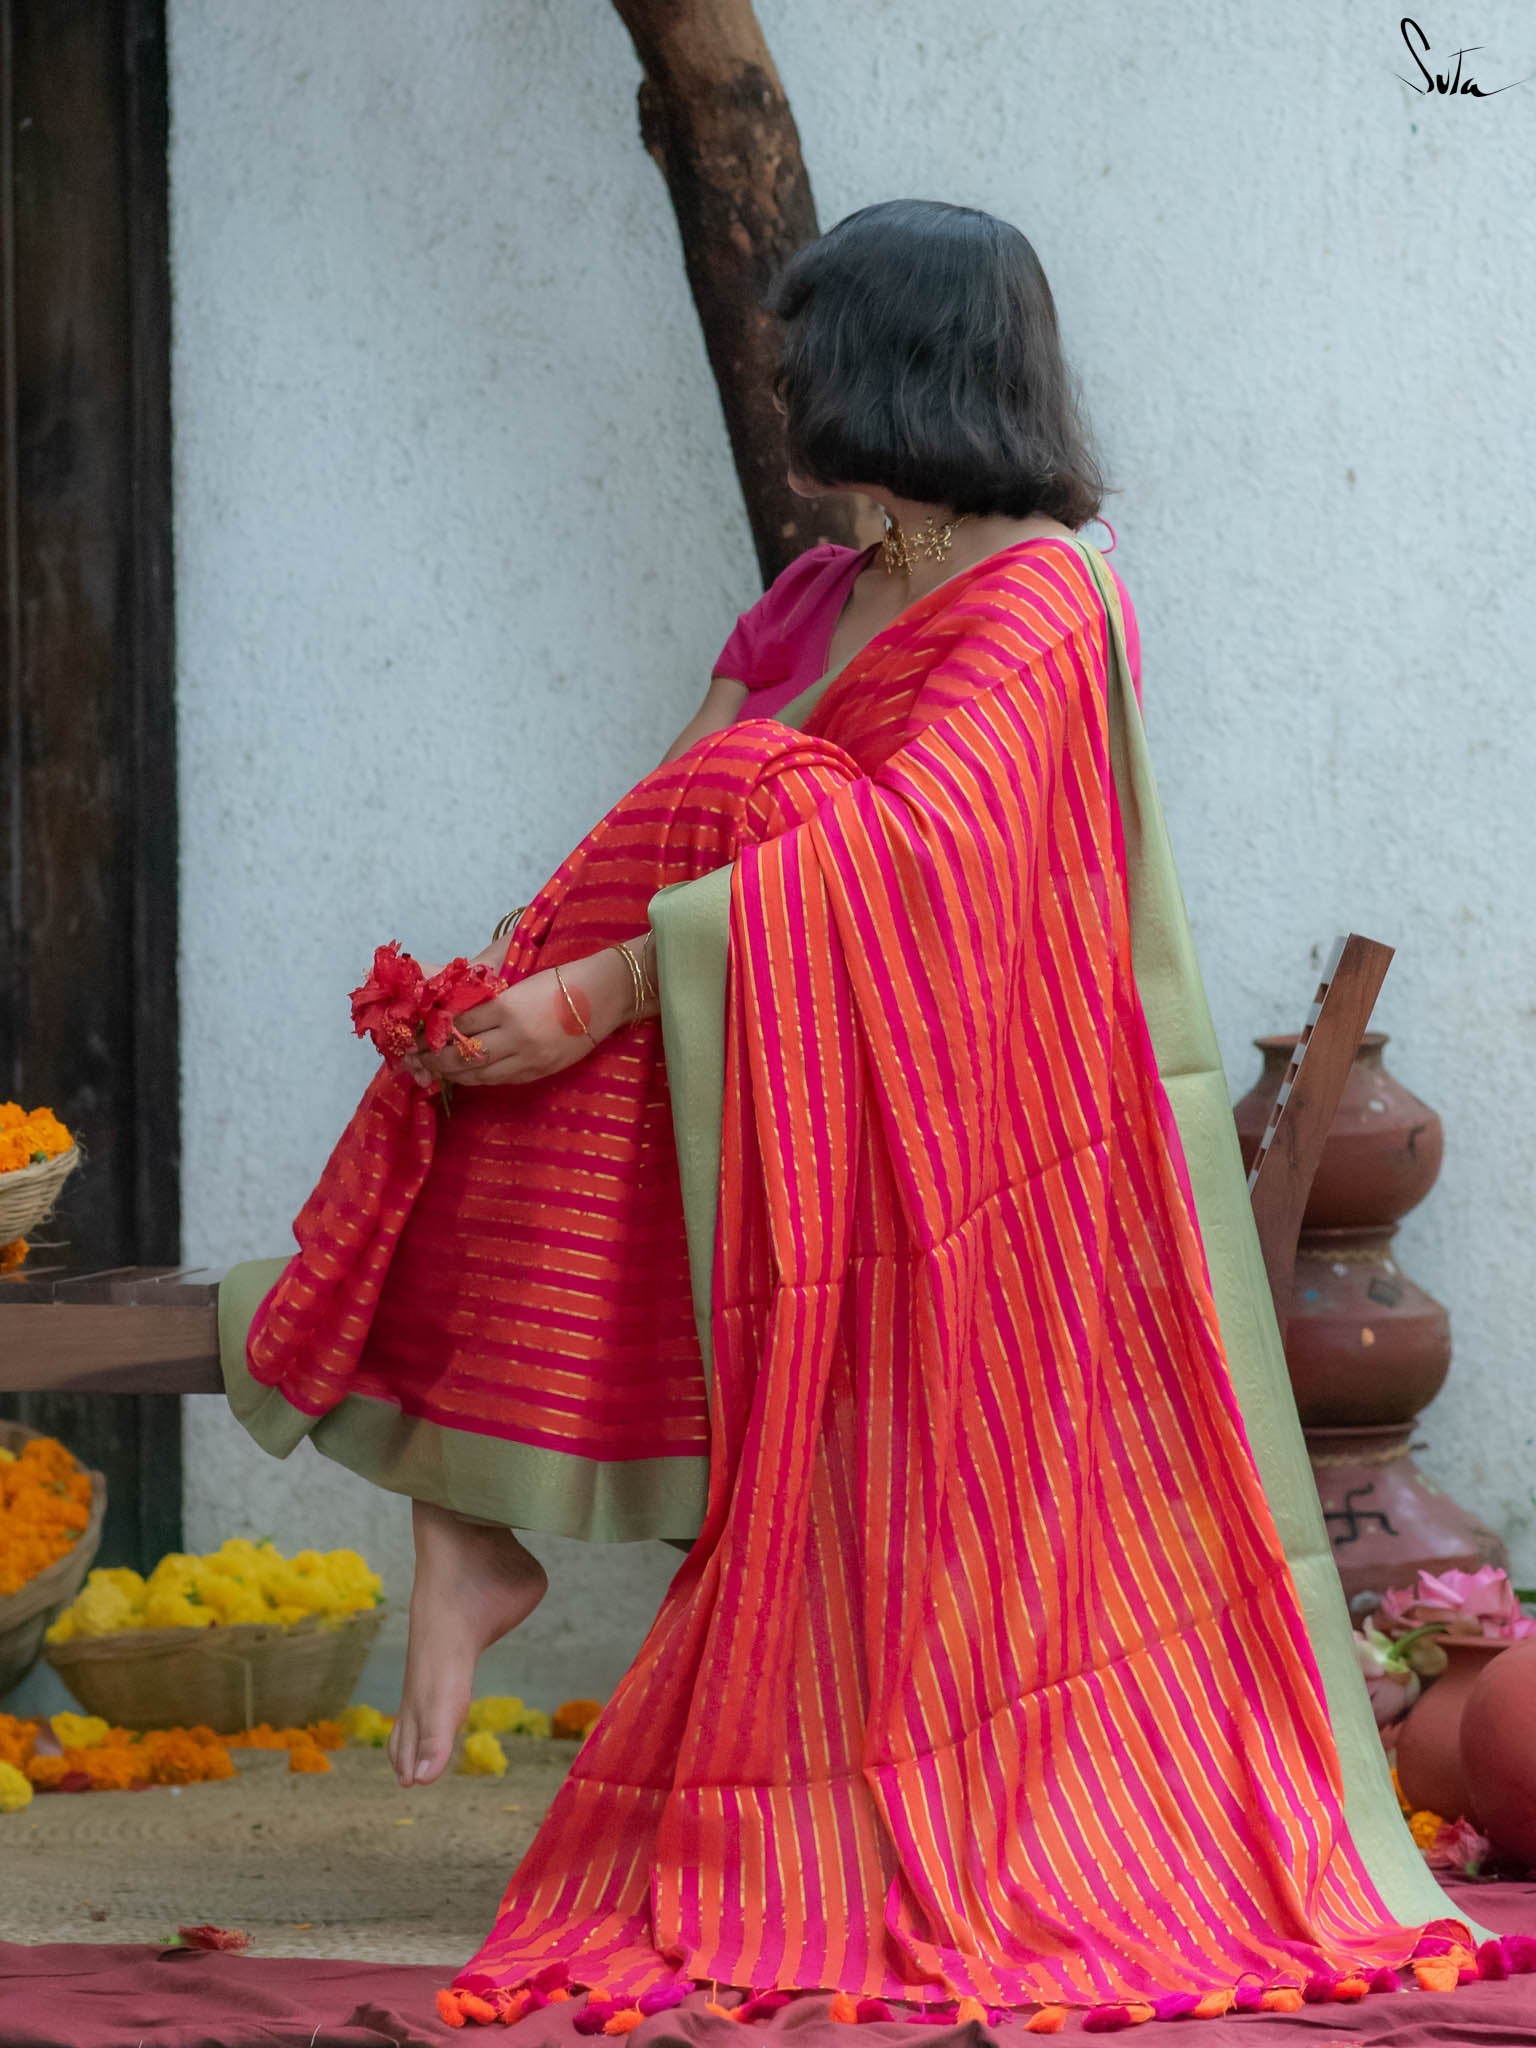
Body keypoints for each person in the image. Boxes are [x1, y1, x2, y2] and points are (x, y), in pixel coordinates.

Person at [222, 200, 1475, 2024]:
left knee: (708, 838)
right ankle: (458, 1525)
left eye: (805, 359)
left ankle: (465, 1525)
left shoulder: (1046, 593)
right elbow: (665, 823)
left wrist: (610, 980)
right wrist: (554, 984)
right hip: (790, 1094)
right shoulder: (827, 594)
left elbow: (927, 854)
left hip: (972, 1127)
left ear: (900, 372)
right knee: (598, 917)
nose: (782, 386)